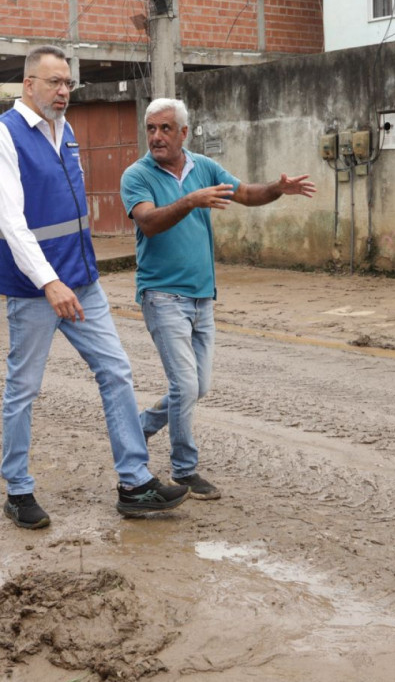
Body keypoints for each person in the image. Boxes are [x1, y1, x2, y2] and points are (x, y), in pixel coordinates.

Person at [0, 45, 189, 529]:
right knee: (24, 388)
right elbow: (12, 223)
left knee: (116, 371)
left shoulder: (65, 129)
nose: (63, 91)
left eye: (67, 83)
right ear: (28, 84)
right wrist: (50, 282)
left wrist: (73, 276)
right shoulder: (3, 134)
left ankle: (134, 483)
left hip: (82, 281)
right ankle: (18, 490)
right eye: (54, 82)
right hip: (37, 289)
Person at [120, 97, 314, 501]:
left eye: (165, 129)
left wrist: (278, 189)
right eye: (151, 129)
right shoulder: (136, 175)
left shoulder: (203, 167)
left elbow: (246, 194)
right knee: (186, 383)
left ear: (184, 133)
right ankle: (185, 469)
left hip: (202, 297)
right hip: (161, 295)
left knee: (197, 386)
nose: (156, 136)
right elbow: (149, 223)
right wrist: (190, 201)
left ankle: (136, 429)